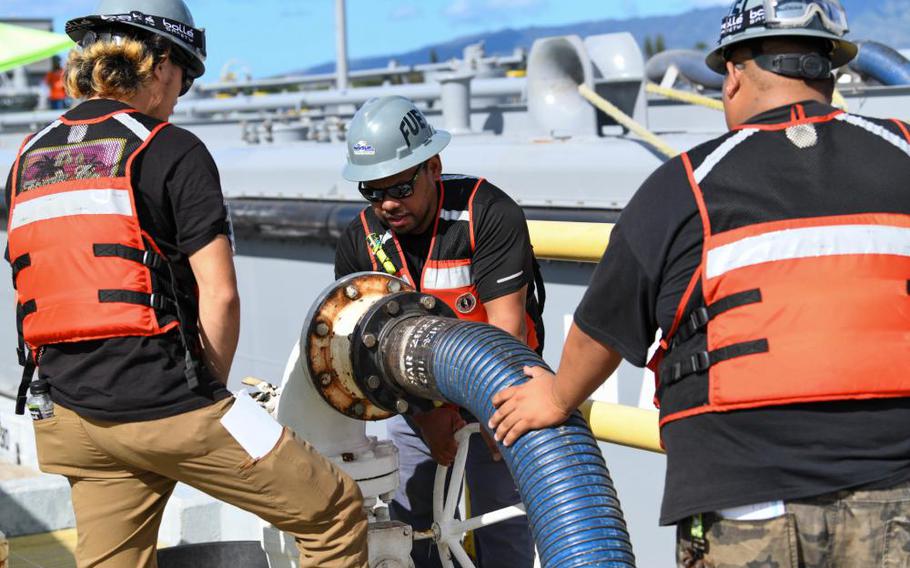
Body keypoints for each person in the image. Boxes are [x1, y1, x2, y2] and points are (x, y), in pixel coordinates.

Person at [489, 1, 910, 566]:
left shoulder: (687, 182)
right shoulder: (902, 149)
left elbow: (604, 322)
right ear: (829, 71)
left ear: (733, 75)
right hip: (897, 495)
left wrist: (558, 396)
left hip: (747, 501)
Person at [5, 1, 367, 566]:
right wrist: (208, 399)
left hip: (73, 419)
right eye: (187, 78)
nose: (181, 96)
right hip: (169, 408)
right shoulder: (172, 149)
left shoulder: (28, 156)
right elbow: (220, 294)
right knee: (334, 512)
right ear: (161, 62)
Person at [335, 95, 544, 568]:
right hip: (410, 404)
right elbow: (357, 352)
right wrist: (426, 418)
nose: (388, 203)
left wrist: (493, 409)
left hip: (500, 389)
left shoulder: (486, 214)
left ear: (433, 166)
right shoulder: (360, 242)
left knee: (504, 531)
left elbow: (506, 324)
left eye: (402, 187)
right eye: (373, 190)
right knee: (413, 533)